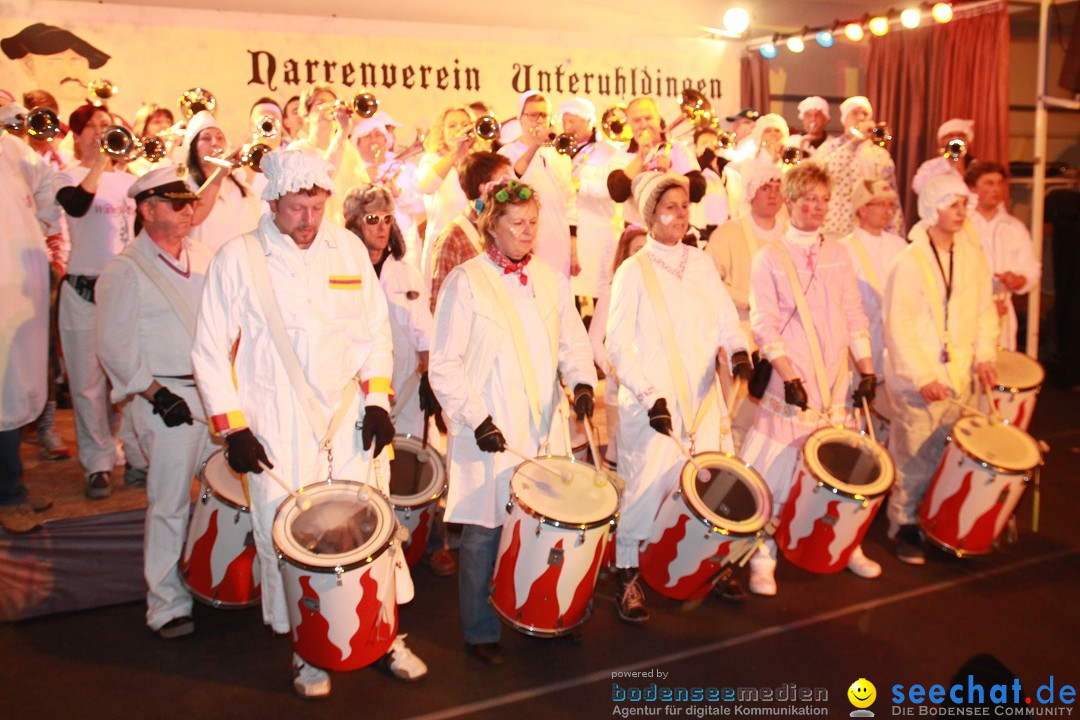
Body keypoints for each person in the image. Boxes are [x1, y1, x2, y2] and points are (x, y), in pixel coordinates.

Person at [191, 149, 427, 697]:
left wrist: (376, 402)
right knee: (295, 542)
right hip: (276, 427)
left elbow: (374, 333)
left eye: (316, 209)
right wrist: (235, 430)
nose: (307, 222)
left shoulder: (346, 248)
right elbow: (208, 351)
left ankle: (383, 633)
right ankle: (309, 650)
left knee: (371, 530)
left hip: (346, 420)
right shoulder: (237, 259)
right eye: (297, 209)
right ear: (272, 201)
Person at [428, 178, 597, 665]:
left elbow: (573, 342)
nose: (527, 233)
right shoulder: (467, 281)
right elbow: (445, 362)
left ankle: (541, 613)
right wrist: (475, 418)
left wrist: (582, 382)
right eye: (516, 224)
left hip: (542, 426)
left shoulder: (550, 278)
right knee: (485, 531)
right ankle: (479, 630)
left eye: (532, 223)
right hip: (491, 430)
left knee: (544, 527)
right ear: (491, 227)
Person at [605, 171, 750, 622]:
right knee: (647, 487)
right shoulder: (633, 270)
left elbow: (725, 317)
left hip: (703, 397)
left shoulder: (701, 262)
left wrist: (739, 352)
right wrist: (649, 395)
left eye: (684, 206)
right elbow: (617, 345)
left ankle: (713, 565)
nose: (680, 215)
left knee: (712, 481)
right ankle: (626, 573)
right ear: (650, 215)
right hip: (655, 405)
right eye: (669, 207)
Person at [741, 163, 877, 595]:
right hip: (792, 380)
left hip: (835, 382)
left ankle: (845, 543)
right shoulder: (769, 257)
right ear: (790, 202)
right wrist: (788, 376)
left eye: (823, 200)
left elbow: (853, 312)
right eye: (808, 199)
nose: (817, 208)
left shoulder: (839, 253)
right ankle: (763, 555)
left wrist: (868, 369)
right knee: (777, 470)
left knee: (838, 467)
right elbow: (764, 325)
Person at [95, 165, 214, 639]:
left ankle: (218, 578)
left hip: (211, 392)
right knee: (168, 504)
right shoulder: (124, 270)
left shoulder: (203, 256)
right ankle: (165, 604)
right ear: (147, 211)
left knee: (227, 493)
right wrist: (154, 394)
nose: (188, 210)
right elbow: (113, 347)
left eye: (188, 202)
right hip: (165, 396)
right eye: (176, 203)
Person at [883, 174, 999, 564]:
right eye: (954, 205)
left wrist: (985, 356)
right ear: (933, 210)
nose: (962, 211)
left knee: (947, 453)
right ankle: (903, 525)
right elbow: (897, 326)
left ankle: (933, 517)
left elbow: (983, 312)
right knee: (913, 454)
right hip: (921, 378)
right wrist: (923, 376)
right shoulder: (910, 260)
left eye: (964, 204)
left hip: (958, 374)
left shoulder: (971, 256)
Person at [343, 183, 456, 576]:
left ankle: (429, 542)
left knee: (421, 462)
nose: (380, 227)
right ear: (354, 223)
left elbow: (422, 328)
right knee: (360, 469)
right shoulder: (341, 269)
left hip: (406, 386)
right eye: (371, 219)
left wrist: (430, 379)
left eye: (386, 219)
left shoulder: (405, 272)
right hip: (354, 391)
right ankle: (367, 547)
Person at [55, 103, 144, 498]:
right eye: (93, 127)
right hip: (83, 289)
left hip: (123, 289)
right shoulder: (66, 176)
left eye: (108, 125)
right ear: (76, 136)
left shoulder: (131, 181)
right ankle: (97, 463)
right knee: (88, 383)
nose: (101, 131)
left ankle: (136, 453)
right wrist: (101, 164)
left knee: (130, 378)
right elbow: (76, 205)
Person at [0, 128, 60, 534]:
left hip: (15, 288)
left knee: (12, 384)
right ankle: (8, 496)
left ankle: (11, 489)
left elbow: (49, 182)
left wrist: (42, 216)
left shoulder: (12, 146)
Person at [840, 180, 908, 433]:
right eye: (879, 204)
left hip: (895, 340)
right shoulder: (844, 248)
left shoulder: (901, 247)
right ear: (862, 209)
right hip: (862, 341)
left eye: (890, 205)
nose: (887, 210)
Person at [498, 92, 577, 279]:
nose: (539, 120)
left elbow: (570, 202)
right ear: (521, 118)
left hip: (559, 242)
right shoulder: (507, 153)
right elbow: (511, 185)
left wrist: (573, 250)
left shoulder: (560, 155)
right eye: (533, 115)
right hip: (525, 241)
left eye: (544, 115)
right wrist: (535, 144)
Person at [588, 226, 648, 471]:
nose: (643, 256)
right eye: (637, 250)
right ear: (624, 255)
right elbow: (594, 339)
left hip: (651, 387)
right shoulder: (612, 291)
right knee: (618, 453)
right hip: (621, 389)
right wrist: (614, 371)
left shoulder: (658, 293)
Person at [964, 161, 1041, 352]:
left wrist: (1019, 279)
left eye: (1000, 183)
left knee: (1001, 372)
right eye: (989, 183)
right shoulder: (962, 225)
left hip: (1003, 313)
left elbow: (1032, 269)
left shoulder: (1014, 227)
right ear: (972, 187)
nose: (996, 189)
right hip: (966, 313)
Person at [428, 151, 512, 311]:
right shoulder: (453, 237)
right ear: (484, 187)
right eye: (504, 180)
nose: (511, 186)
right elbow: (440, 304)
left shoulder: (509, 227)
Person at [606, 97, 705, 229]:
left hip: (675, 231)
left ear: (659, 119)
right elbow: (617, 193)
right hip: (638, 233)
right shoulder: (621, 156)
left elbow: (698, 190)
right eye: (636, 120)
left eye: (648, 118)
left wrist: (668, 174)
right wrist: (640, 158)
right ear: (629, 124)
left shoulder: (679, 150)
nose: (643, 125)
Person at [816, 96, 904, 239]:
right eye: (855, 113)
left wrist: (897, 232)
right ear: (844, 120)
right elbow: (824, 174)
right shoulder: (829, 148)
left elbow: (891, 194)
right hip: (837, 229)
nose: (861, 117)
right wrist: (854, 143)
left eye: (864, 114)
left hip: (870, 230)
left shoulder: (880, 155)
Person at [560, 97, 620, 301]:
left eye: (573, 121)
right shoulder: (560, 151)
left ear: (588, 122)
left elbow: (615, 189)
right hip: (567, 231)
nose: (568, 127)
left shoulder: (608, 151)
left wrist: (581, 186)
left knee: (598, 291)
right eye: (565, 121)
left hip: (598, 232)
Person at [352, 117, 426, 268]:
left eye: (378, 134)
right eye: (367, 135)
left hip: (404, 245)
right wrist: (363, 179)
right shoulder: (350, 170)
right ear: (357, 143)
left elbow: (422, 207)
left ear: (387, 141)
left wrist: (398, 194)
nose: (373, 139)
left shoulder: (405, 168)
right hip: (363, 245)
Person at [182, 111, 261, 252]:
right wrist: (219, 174)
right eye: (206, 138)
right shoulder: (185, 183)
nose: (214, 143)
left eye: (220, 138)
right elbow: (192, 217)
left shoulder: (241, 187)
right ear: (193, 148)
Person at [417, 105, 477, 281]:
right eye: (452, 125)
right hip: (441, 243)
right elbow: (427, 186)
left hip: (473, 242)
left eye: (464, 125)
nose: (459, 129)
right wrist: (455, 154)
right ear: (441, 131)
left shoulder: (478, 160)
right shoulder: (431, 160)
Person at [912, 119, 975, 196]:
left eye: (960, 135)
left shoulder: (975, 165)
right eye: (950, 136)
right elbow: (919, 187)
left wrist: (961, 167)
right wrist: (946, 163)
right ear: (942, 141)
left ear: (967, 141)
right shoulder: (930, 165)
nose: (955, 139)